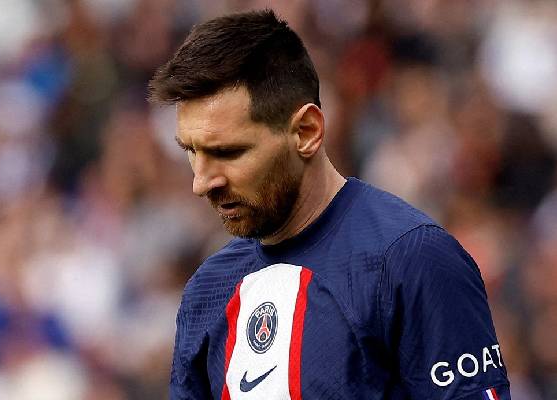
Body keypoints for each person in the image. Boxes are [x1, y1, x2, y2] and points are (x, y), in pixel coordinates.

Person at [148, 9, 510, 400]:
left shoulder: (411, 259)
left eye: (228, 152)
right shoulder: (207, 289)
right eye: (192, 151)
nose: (202, 182)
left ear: (307, 132)